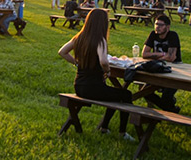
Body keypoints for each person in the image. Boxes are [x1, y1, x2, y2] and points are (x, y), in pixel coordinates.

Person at [58, 9, 135, 141]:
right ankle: (122, 132)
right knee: (126, 95)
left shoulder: (79, 37)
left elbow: (62, 52)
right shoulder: (100, 40)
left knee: (116, 95)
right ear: (102, 23)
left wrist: (77, 63)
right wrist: (107, 71)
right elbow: (104, 61)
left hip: (79, 86)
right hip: (93, 88)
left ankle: (104, 127)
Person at [141, 14, 182, 113]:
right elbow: (144, 54)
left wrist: (154, 56)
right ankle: (171, 109)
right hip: (157, 69)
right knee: (145, 92)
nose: (157, 27)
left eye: (160, 25)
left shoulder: (172, 35)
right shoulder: (153, 34)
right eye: (156, 24)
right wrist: (162, 54)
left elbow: (171, 57)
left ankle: (169, 108)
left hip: (175, 71)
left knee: (166, 97)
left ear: (168, 27)